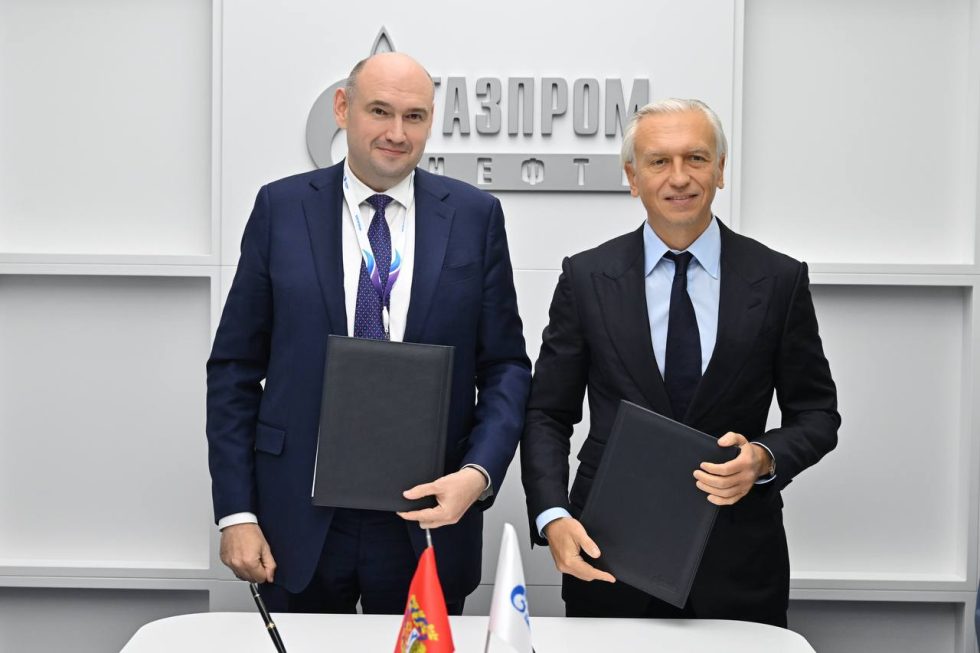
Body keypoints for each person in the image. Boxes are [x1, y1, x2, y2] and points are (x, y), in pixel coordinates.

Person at [206, 52, 530, 615]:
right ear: (342, 109)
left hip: (425, 514)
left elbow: (505, 367)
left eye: (414, 116)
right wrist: (237, 512)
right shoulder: (281, 208)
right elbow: (234, 369)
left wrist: (477, 475)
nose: (396, 133)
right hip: (297, 518)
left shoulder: (475, 216)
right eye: (380, 111)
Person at [520, 98, 840, 627]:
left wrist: (763, 458)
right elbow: (547, 415)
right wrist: (553, 515)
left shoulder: (779, 279)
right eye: (659, 161)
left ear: (720, 169)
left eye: (696, 158)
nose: (679, 177)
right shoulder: (586, 277)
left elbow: (818, 415)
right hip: (610, 555)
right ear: (633, 177)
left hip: (739, 561)